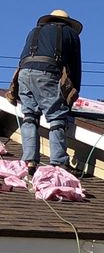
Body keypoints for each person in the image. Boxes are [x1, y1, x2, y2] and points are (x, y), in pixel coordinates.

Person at [11, 9, 83, 175]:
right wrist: (73, 92)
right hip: (47, 72)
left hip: (23, 74)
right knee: (57, 117)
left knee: (29, 116)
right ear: (67, 22)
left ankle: (29, 161)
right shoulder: (70, 34)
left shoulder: (34, 31)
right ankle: (58, 163)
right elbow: (75, 67)